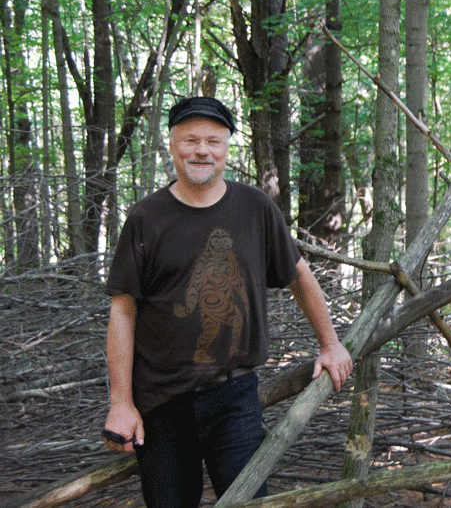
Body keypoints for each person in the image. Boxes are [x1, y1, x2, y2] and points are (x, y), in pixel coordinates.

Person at [102, 96, 352, 507]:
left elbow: (299, 275)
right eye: (191, 140)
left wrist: (330, 343)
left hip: (233, 398)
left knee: (250, 502)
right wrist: (121, 404)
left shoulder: (254, 208)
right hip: (161, 404)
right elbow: (123, 312)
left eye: (213, 142)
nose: (202, 150)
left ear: (226, 148)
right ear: (171, 145)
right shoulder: (146, 218)